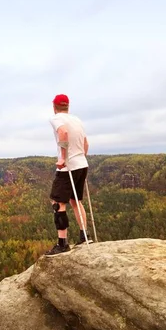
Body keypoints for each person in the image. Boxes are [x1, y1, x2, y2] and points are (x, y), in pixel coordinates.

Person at [45, 93, 92, 256]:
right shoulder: (77, 120)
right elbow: (86, 143)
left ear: (54, 106)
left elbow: (63, 133)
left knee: (58, 202)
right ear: (68, 106)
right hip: (81, 164)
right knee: (76, 201)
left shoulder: (56, 119)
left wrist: (63, 158)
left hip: (67, 167)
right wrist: (81, 156)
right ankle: (85, 236)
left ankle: (62, 243)